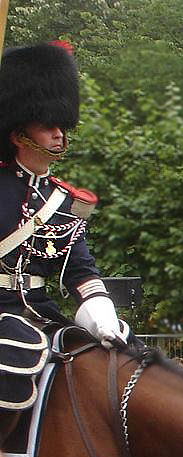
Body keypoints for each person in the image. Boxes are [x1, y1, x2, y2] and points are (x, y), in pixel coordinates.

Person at [0, 40, 130, 414]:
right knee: (14, 357)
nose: (59, 134)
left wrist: (101, 313)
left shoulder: (63, 201)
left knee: (123, 361)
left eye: (62, 125)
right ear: (17, 134)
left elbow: (81, 269)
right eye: (47, 126)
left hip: (41, 311)